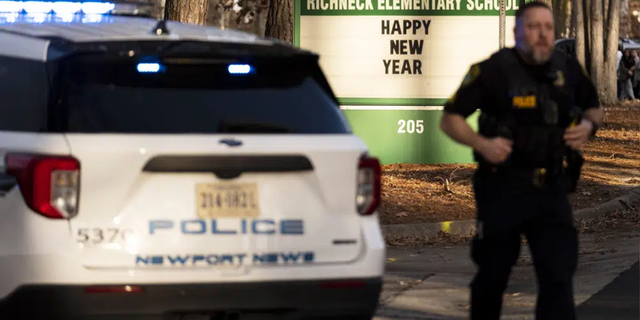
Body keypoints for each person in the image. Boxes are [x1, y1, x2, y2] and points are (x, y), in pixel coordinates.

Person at [439, 2, 604, 320]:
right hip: (503, 189)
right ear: (516, 31)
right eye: (533, 26)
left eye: (547, 27)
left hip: (552, 190)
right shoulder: (492, 70)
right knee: (492, 277)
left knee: (558, 277)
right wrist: (481, 144)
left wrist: (588, 126)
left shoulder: (567, 68)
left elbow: (594, 108)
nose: (542, 34)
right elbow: (450, 119)